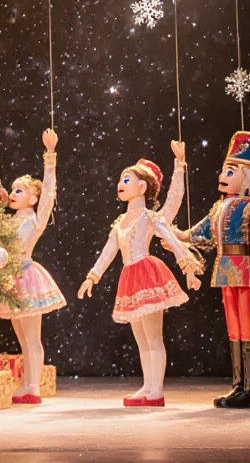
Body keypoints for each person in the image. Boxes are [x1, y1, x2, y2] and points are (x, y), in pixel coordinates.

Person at [78, 145, 201, 407]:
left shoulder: (149, 217)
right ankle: (147, 386)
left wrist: (188, 268)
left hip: (147, 272)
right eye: (120, 180)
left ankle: (157, 390)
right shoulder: (119, 222)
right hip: (130, 278)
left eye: (126, 180)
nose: (119, 184)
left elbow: (173, 240)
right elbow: (108, 251)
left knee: (154, 336)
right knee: (141, 338)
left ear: (142, 187)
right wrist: (93, 276)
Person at [171, 131, 250, 409]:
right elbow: (200, 233)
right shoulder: (219, 207)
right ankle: (238, 385)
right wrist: (177, 237)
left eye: (231, 171)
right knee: (234, 328)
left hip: (247, 268)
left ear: (248, 177)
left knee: (249, 327)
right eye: (225, 170)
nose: (224, 175)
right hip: (226, 268)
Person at [0, 128, 64, 405]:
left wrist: (50, 155)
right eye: (12, 190)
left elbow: (49, 192)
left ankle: (33, 386)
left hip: (27, 276)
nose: (13, 193)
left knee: (32, 337)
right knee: (22, 339)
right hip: (11, 280)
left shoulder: (35, 219)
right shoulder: (9, 222)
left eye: (19, 190)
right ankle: (26, 384)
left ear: (32, 199)